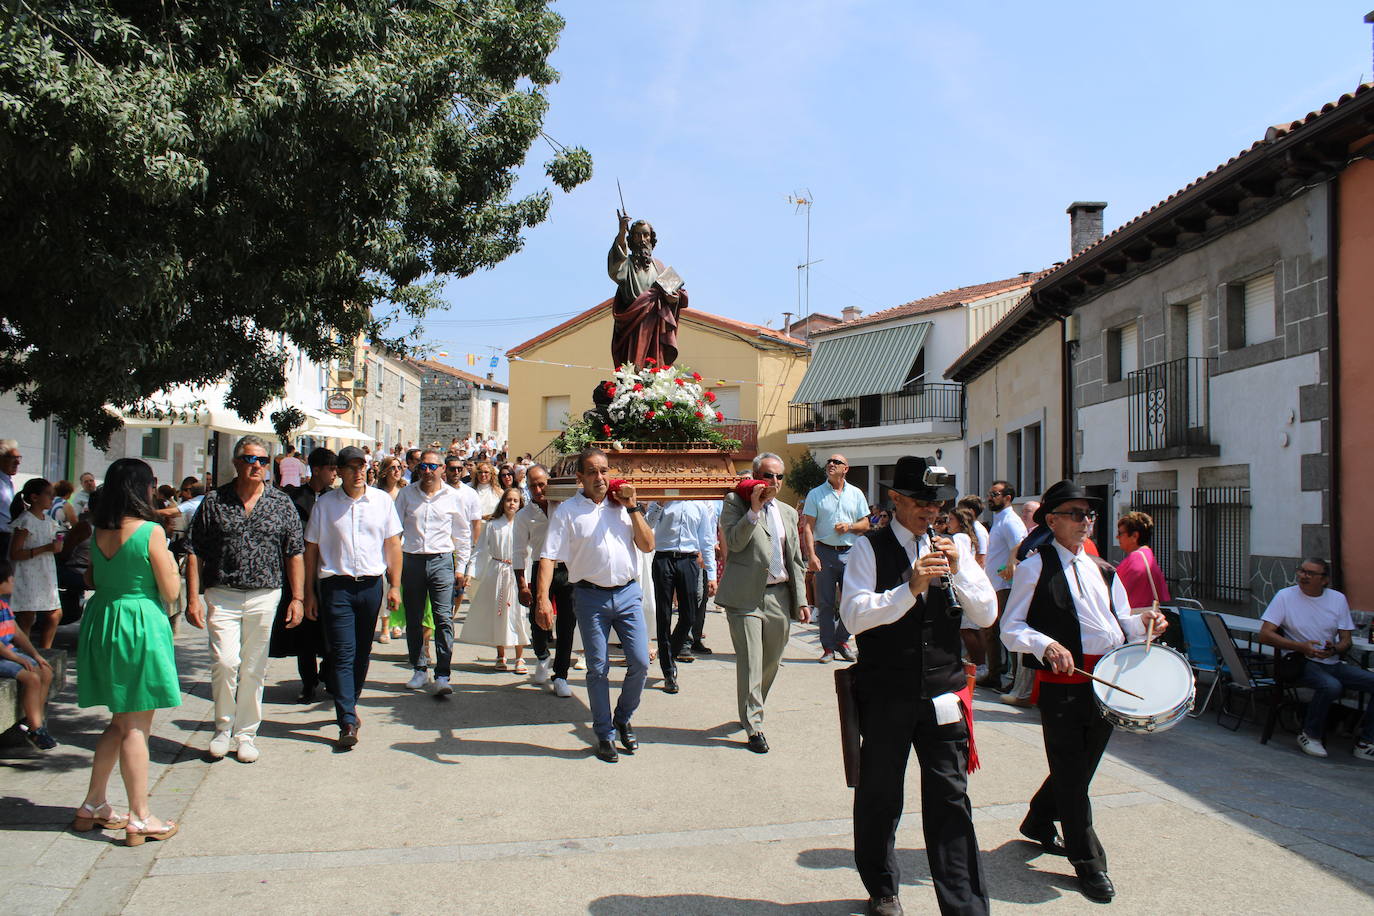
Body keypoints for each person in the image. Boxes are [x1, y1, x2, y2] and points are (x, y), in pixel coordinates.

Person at [839, 456, 997, 916]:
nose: (931, 513)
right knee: (881, 795)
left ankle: (965, 905)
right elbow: (853, 617)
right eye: (921, 503)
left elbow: (986, 615)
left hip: (944, 693)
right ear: (895, 500)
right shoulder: (870, 548)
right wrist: (908, 588)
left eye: (937, 504)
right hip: (887, 693)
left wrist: (960, 569)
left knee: (951, 799)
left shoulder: (955, 547)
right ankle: (883, 888)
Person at [1001, 479, 1167, 904]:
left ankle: (1039, 820)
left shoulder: (1105, 569)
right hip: (1062, 683)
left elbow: (1121, 623)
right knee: (1074, 776)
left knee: (1080, 767)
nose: (1086, 521)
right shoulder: (1034, 567)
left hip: (1107, 682)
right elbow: (1011, 628)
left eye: (1089, 514)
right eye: (1076, 514)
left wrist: (1145, 624)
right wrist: (1046, 644)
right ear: (1052, 521)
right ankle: (1089, 862)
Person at [75, 458, 183, 845]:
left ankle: (93, 803)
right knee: (137, 726)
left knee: (119, 721)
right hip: (138, 622)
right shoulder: (150, 531)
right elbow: (171, 593)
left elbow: (90, 578)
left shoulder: (98, 530)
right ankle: (141, 816)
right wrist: (170, 563)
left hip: (103, 619)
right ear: (143, 488)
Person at [185, 435, 305, 764]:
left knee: (254, 667)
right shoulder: (214, 501)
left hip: (266, 593)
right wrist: (192, 598)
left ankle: (246, 733)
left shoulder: (281, 503)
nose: (257, 466)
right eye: (250, 459)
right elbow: (193, 549)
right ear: (237, 463)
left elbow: (295, 552)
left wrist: (298, 597)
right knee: (225, 663)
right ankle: (222, 729)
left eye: (263, 461)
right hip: (222, 592)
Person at [537, 447, 653, 763]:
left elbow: (647, 545)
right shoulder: (567, 512)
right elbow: (548, 556)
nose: (600, 477)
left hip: (628, 594)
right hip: (590, 597)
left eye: (604, 470)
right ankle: (604, 733)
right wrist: (543, 598)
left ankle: (623, 718)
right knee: (597, 668)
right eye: (592, 472)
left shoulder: (623, 506)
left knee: (640, 662)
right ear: (580, 478)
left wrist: (633, 508)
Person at [303, 446, 403, 748]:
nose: (358, 472)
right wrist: (307, 593)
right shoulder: (325, 505)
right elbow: (311, 550)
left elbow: (393, 545)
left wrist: (395, 585)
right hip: (337, 587)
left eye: (363, 466)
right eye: (351, 467)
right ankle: (346, 718)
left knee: (361, 653)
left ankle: (350, 701)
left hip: (371, 586)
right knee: (343, 653)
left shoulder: (382, 502)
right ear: (341, 471)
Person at [716, 453, 811, 753]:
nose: (774, 482)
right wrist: (753, 511)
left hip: (779, 595)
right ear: (756, 476)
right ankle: (754, 724)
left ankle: (750, 706)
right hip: (745, 597)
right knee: (751, 660)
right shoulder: (735, 503)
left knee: (771, 661)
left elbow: (795, 559)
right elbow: (734, 541)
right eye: (768, 475)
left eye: (779, 477)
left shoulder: (788, 513)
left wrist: (803, 600)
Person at [1259, 559, 1374, 761]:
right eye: (1302, 571)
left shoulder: (1337, 599)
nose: (1304, 576)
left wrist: (1335, 649)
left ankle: (1366, 742)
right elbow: (1265, 635)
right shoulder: (1285, 596)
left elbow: (1346, 640)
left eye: (1311, 573)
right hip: (1300, 661)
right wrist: (1301, 647)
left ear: (1325, 580)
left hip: (1331, 662)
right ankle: (1310, 734)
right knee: (1331, 686)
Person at [394, 449, 472, 696]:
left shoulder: (453, 496)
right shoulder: (407, 494)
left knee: (443, 618)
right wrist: (393, 567)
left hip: (441, 560)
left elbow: (462, 534)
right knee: (415, 618)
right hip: (412, 559)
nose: (427, 472)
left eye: (432, 467)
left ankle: (443, 674)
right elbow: (394, 532)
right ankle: (419, 668)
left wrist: (461, 567)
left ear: (441, 469)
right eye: (423, 467)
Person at [270, 448, 337, 704]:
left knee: (332, 629)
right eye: (330, 469)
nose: (334, 474)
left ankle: (328, 673)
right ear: (317, 469)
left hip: (329, 571)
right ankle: (308, 682)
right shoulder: (294, 498)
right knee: (305, 634)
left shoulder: (335, 499)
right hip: (301, 571)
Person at [515, 465, 579, 695]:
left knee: (567, 624)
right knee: (537, 620)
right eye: (533, 486)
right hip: (540, 568)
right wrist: (522, 585)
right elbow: (519, 551)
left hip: (567, 568)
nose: (538, 489)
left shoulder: (564, 506)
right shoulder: (524, 516)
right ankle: (542, 655)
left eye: (542, 484)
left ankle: (561, 675)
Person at [801, 453, 870, 663]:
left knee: (852, 601)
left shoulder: (856, 493)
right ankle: (828, 648)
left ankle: (842, 640)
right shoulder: (815, 494)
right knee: (825, 603)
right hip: (824, 552)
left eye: (836, 462)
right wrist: (811, 555)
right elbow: (808, 527)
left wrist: (849, 526)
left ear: (845, 468)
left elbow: (865, 524)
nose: (831, 464)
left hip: (851, 553)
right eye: (829, 462)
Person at [644, 498, 718, 692]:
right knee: (664, 614)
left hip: (689, 560)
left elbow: (707, 540)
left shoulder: (701, 505)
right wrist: (660, 504)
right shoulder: (661, 501)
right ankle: (668, 670)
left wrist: (711, 574)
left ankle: (669, 651)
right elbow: (647, 525)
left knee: (689, 615)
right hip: (664, 558)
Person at [460, 487, 529, 671]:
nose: (512, 503)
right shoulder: (492, 524)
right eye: (508, 500)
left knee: (518, 614)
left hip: (517, 573)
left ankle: (520, 657)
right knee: (499, 614)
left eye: (515, 500)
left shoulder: (524, 524)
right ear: (503, 502)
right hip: (497, 572)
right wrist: (470, 572)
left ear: (520, 503)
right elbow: (481, 549)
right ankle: (501, 655)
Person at [608, 212, 687, 369]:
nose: (642, 240)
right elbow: (615, 267)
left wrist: (673, 298)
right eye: (637, 235)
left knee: (653, 366)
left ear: (652, 239)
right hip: (633, 323)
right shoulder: (626, 264)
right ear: (631, 240)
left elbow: (677, 293)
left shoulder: (659, 266)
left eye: (646, 235)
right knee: (633, 368)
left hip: (655, 325)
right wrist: (622, 232)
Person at [0, 559, 58, 749]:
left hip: (9, 653)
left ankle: (35, 722)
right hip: (4, 656)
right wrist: (17, 658)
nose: (13, 581)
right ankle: (35, 728)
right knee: (31, 678)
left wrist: (35, 655)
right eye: (10, 578)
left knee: (45, 671)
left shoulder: (4, 604)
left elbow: (17, 633)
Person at [980, 480, 1026, 688]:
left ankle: (1013, 678)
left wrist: (1010, 565)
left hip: (1004, 585)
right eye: (990, 493)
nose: (990, 497)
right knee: (992, 630)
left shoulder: (1010, 520)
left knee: (1006, 630)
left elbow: (1019, 544)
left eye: (995, 494)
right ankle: (995, 673)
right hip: (995, 584)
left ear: (1007, 497)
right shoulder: (1000, 519)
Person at [8, 478, 62, 648]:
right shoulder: (25, 521)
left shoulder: (49, 521)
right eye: (48, 494)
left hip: (45, 572)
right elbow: (15, 553)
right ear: (34, 497)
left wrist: (55, 548)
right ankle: (25, 653)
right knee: (27, 616)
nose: (52, 498)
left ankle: (45, 651)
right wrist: (46, 547)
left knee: (54, 613)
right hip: (28, 572)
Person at [1114, 511, 1171, 611]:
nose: (1117, 537)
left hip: (1133, 621)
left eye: (1120, 533)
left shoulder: (1134, 560)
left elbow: (1112, 594)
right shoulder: (1148, 555)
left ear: (1134, 536)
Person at [0, 439, 20, 560]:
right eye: (13, 458)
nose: (17, 462)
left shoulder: (8, 482)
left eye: (19, 458)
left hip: (7, 536)